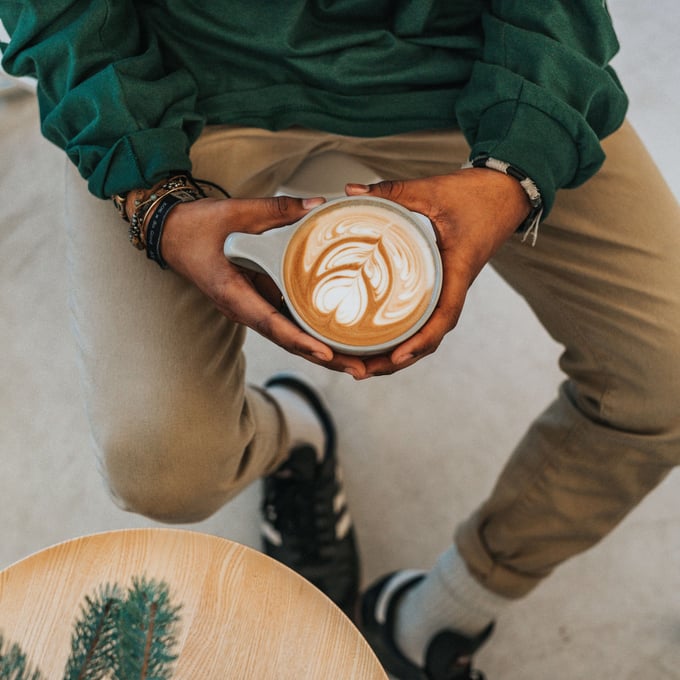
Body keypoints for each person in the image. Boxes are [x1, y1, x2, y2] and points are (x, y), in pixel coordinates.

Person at [2, 3, 678, 678]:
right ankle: (298, 438)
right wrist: (150, 191)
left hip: (459, 69)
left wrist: (517, 165)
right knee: (163, 466)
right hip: (183, 79)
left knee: (667, 379)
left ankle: (435, 616)